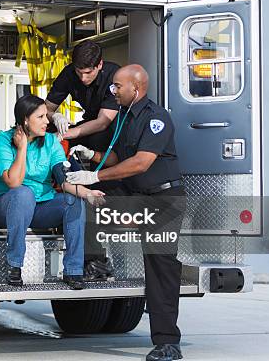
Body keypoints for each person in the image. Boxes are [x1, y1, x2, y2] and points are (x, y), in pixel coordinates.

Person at [66, 65, 186, 361]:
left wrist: (96, 176)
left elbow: (141, 163)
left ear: (136, 87)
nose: (112, 91)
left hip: (162, 199)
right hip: (135, 194)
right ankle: (96, 263)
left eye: (117, 86)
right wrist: (91, 156)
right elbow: (120, 158)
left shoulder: (157, 118)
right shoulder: (123, 118)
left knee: (160, 268)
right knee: (94, 201)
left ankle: (167, 343)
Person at [0, 94, 105, 290]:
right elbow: (13, 182)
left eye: (46, 116)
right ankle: (14, 266)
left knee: (73, 201)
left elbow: (64, 179)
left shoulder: (51, 142)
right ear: (25, 119)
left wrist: (87, 193)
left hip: (40, 207)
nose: (47, 121)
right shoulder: (2, 140)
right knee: (23, 193)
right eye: (41, 117)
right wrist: (23, 147)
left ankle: (74, 270)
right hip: (7, 206)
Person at [45, 40, 119, 279]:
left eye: (88, 73)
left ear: (99, 65)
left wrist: (70, 133)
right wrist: (55, 117)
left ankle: (98, 258)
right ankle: (67, 183)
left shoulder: (113, 75)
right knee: (52, 140)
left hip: (112, 131)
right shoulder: (70, 73)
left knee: (104, 194)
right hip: (87, 126)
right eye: (79, 72)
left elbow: (104, 121)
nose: (83, 78)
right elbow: (45, 108)